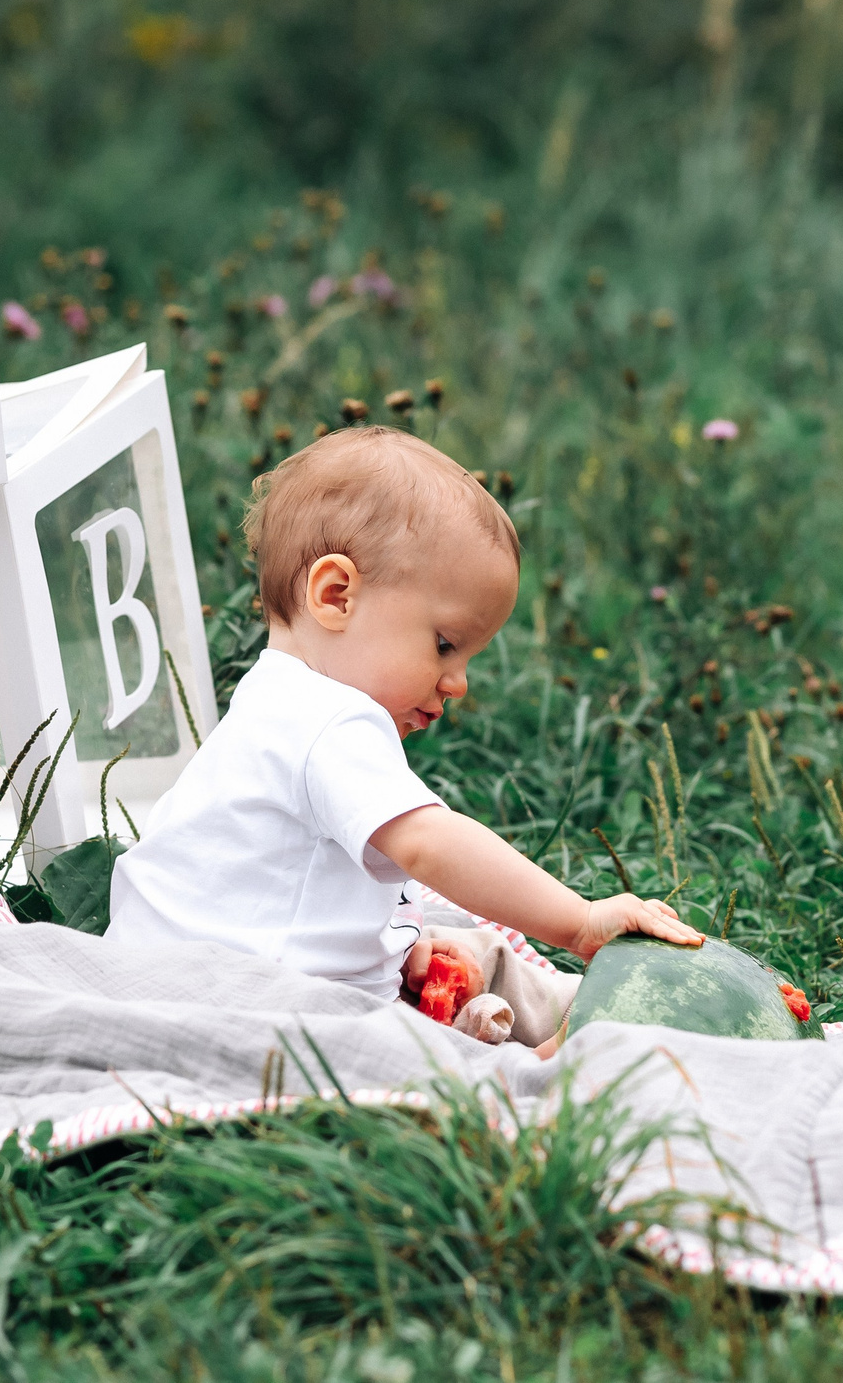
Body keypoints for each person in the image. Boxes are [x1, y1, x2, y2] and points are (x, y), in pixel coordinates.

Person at [104, 426, 699, 1042]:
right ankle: (570, 1052)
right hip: (255, 1013)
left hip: (176, 976)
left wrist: (393, 941)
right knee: (470, 1053)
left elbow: (297, 881)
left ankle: (566, 1016)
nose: (458, 684)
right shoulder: (328, 722)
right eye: (444, 645)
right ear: (336, 596)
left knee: (459, 950)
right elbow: (428, 844)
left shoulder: (272, 697)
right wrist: (578, 921)